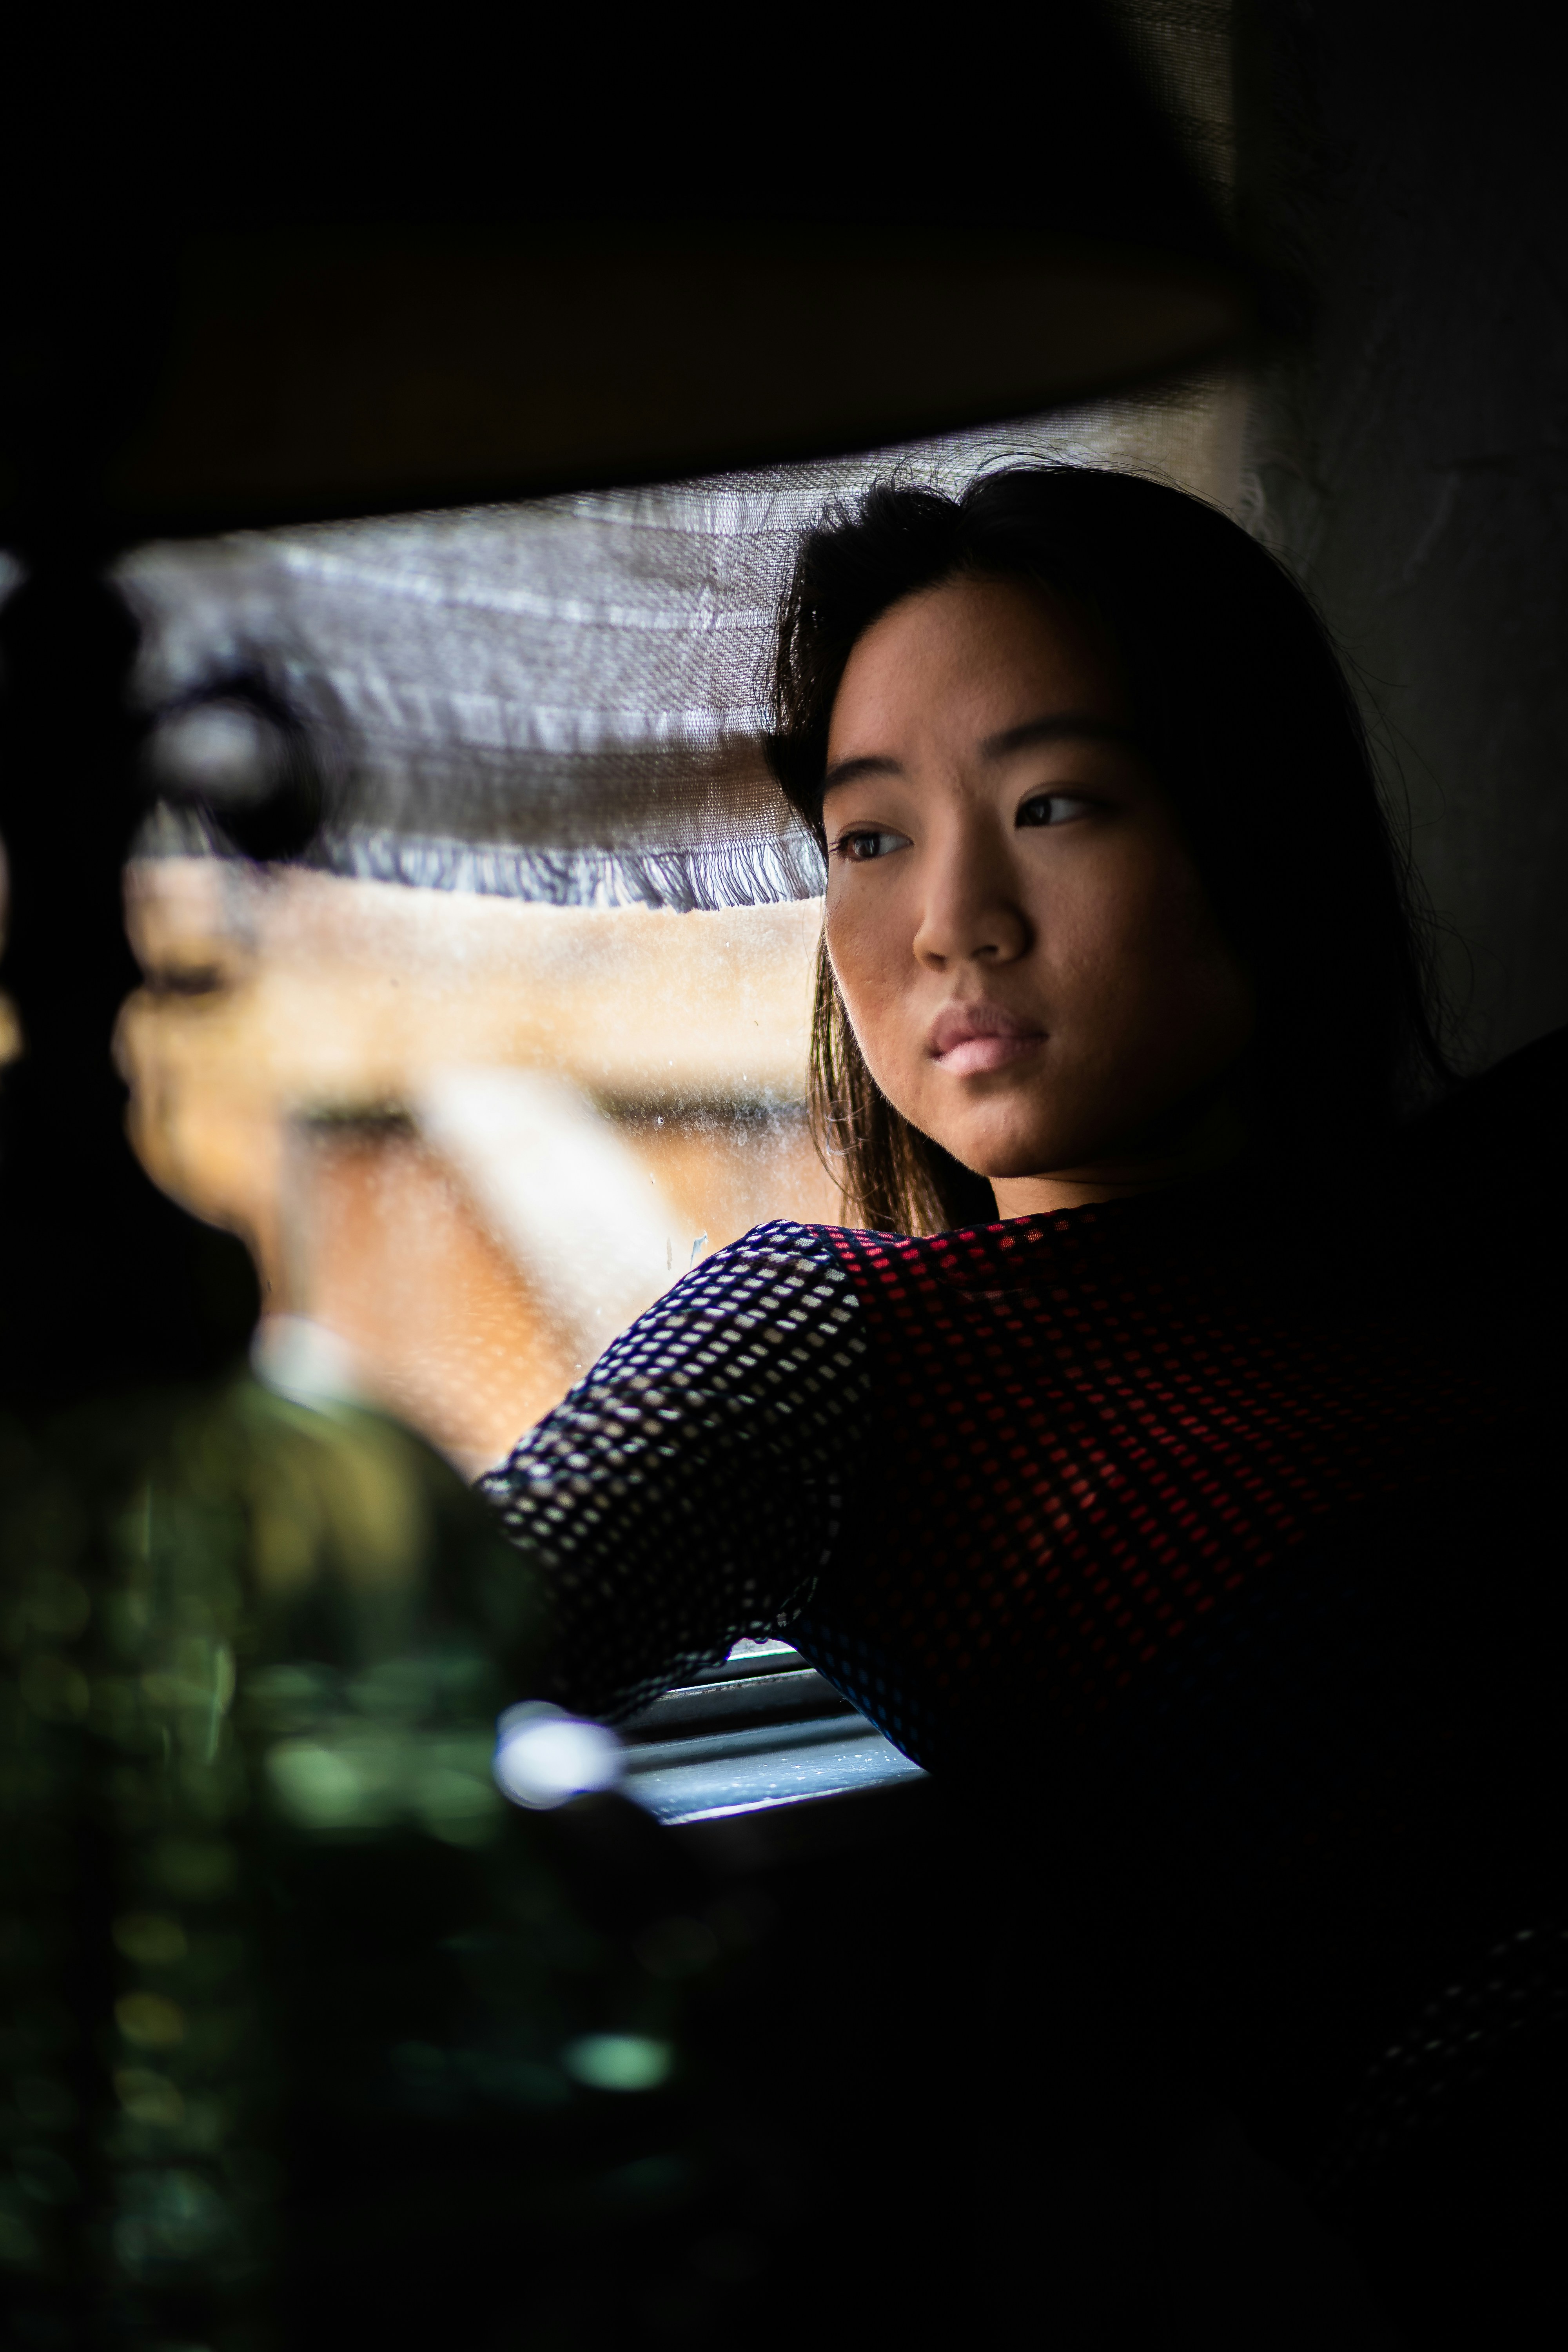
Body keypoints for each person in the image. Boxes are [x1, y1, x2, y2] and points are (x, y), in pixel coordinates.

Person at [479, 467, 1568, 2344]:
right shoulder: (841, 1347)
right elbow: (381, 1669)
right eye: (870, 836)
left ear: (1255, 835)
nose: (953, 923)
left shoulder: (1506, 1217)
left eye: (1052, 804)